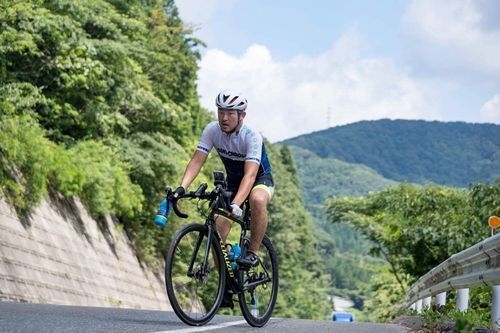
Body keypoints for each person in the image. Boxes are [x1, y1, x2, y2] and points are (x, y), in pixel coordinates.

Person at [173, 90, 274, 307]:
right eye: (221, 112)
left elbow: (250, 175)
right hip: (234, 181)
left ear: (242, 116)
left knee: (257, 200)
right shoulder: (212, 130)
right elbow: (197, 160)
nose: (224, 118)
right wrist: (181, 188)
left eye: (230, 113)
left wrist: (237, 203)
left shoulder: (252, 137)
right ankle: (226, 283)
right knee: (218, 229)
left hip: (258, 179)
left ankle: (254, 252)